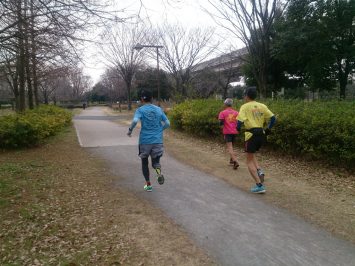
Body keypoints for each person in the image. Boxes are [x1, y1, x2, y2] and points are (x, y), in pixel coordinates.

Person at [127, 90, 170, 192]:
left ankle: (148, 185)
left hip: (145, 141)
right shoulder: (159, 109)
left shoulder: (140, 110)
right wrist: (160, 130)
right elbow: (168, 123)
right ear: (152, 98)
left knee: (144, 163)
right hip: (157, 141)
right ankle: (159, 173)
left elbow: (134, 121)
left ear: (142, 99)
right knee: (155, 162)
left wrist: (130, 131)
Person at [237, 87, 276, 194]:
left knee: (248, 161)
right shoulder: (262, 106)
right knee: (252, 154)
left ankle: (259, 185)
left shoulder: (244, 106)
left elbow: (239, 122)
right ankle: (259, 170)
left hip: (251, 134)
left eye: (244, 95)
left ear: (246, 95)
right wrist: (268, 129)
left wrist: (237, 129)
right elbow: (273, 118)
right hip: (261, 134)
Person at [218, 98, 240, 169]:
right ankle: (231, 161)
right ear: (232, 104)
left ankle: (235, 161)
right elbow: (239, 122)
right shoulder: (236, 113)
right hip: (235, 132)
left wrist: (223, 129)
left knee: (230, 147)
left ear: (225, 104)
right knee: (232, 147)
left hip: (227, 132)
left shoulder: (222, 113)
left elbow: (221, 123)